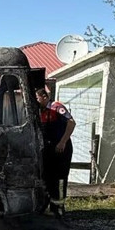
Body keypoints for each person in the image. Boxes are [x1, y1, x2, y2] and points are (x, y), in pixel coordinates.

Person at [35, 88, 76, 218]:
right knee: (47, 177)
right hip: (49, 149)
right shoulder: (40, 111)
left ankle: (58, 208)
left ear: (44, 96)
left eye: (37, 98)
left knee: (60, 179)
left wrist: (63, 142)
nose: (36, 101)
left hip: (61, 148)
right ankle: (48, 206)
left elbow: (71, 122)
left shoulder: (56, 107)